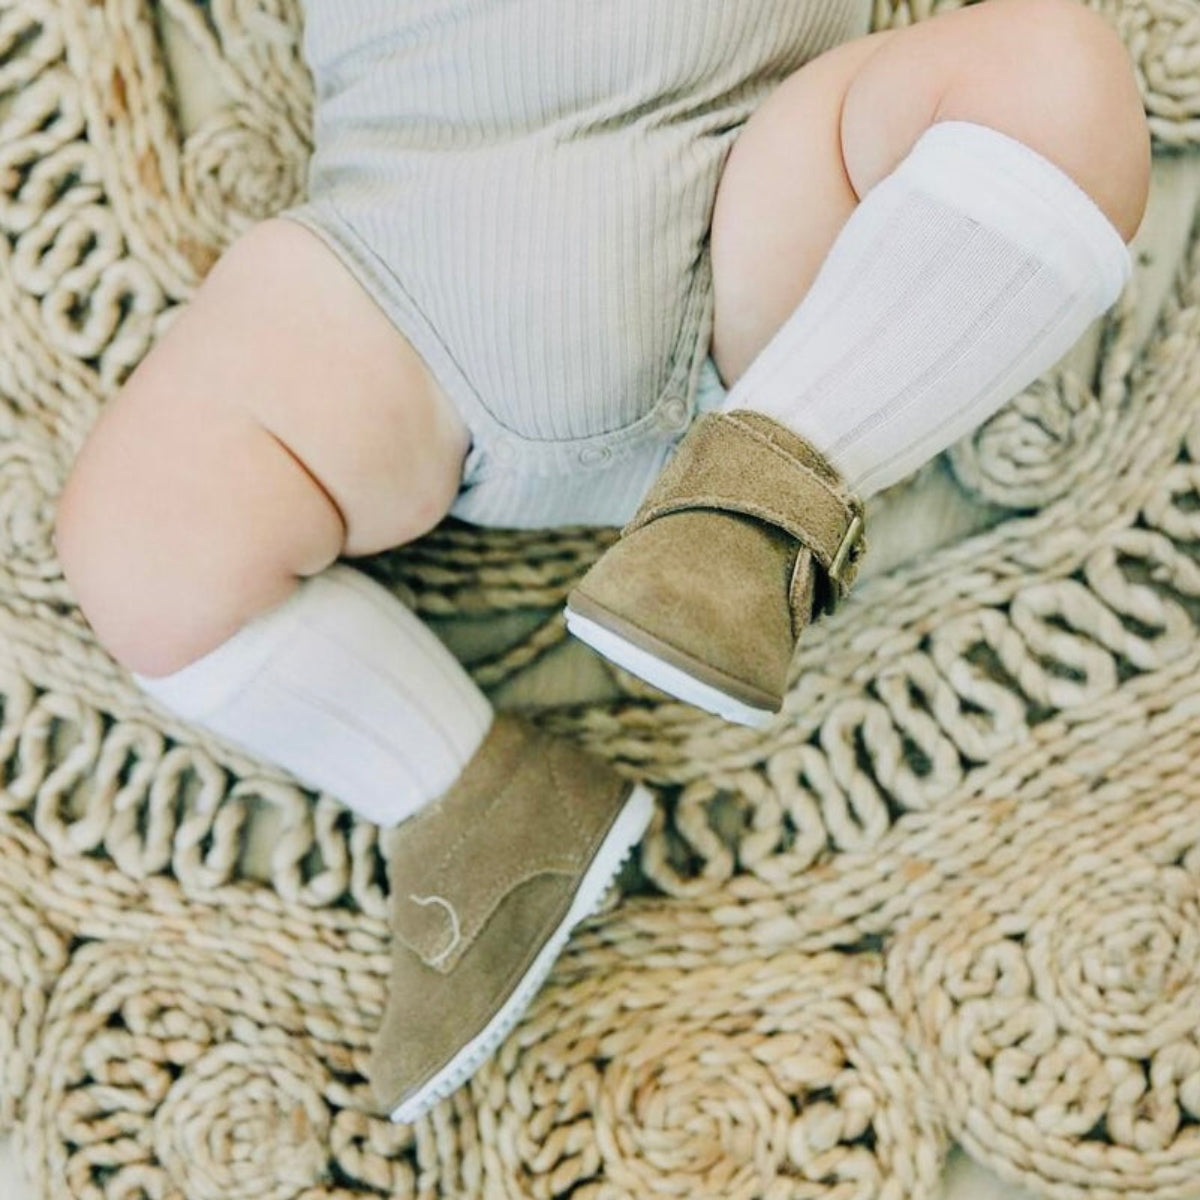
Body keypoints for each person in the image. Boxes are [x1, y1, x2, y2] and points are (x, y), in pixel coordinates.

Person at [52, 0, 1150, 1123]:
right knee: (142, 535)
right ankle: (473, 809)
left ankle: (760, 500)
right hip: (412, 263)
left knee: (1057, 74)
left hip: (754, 203)